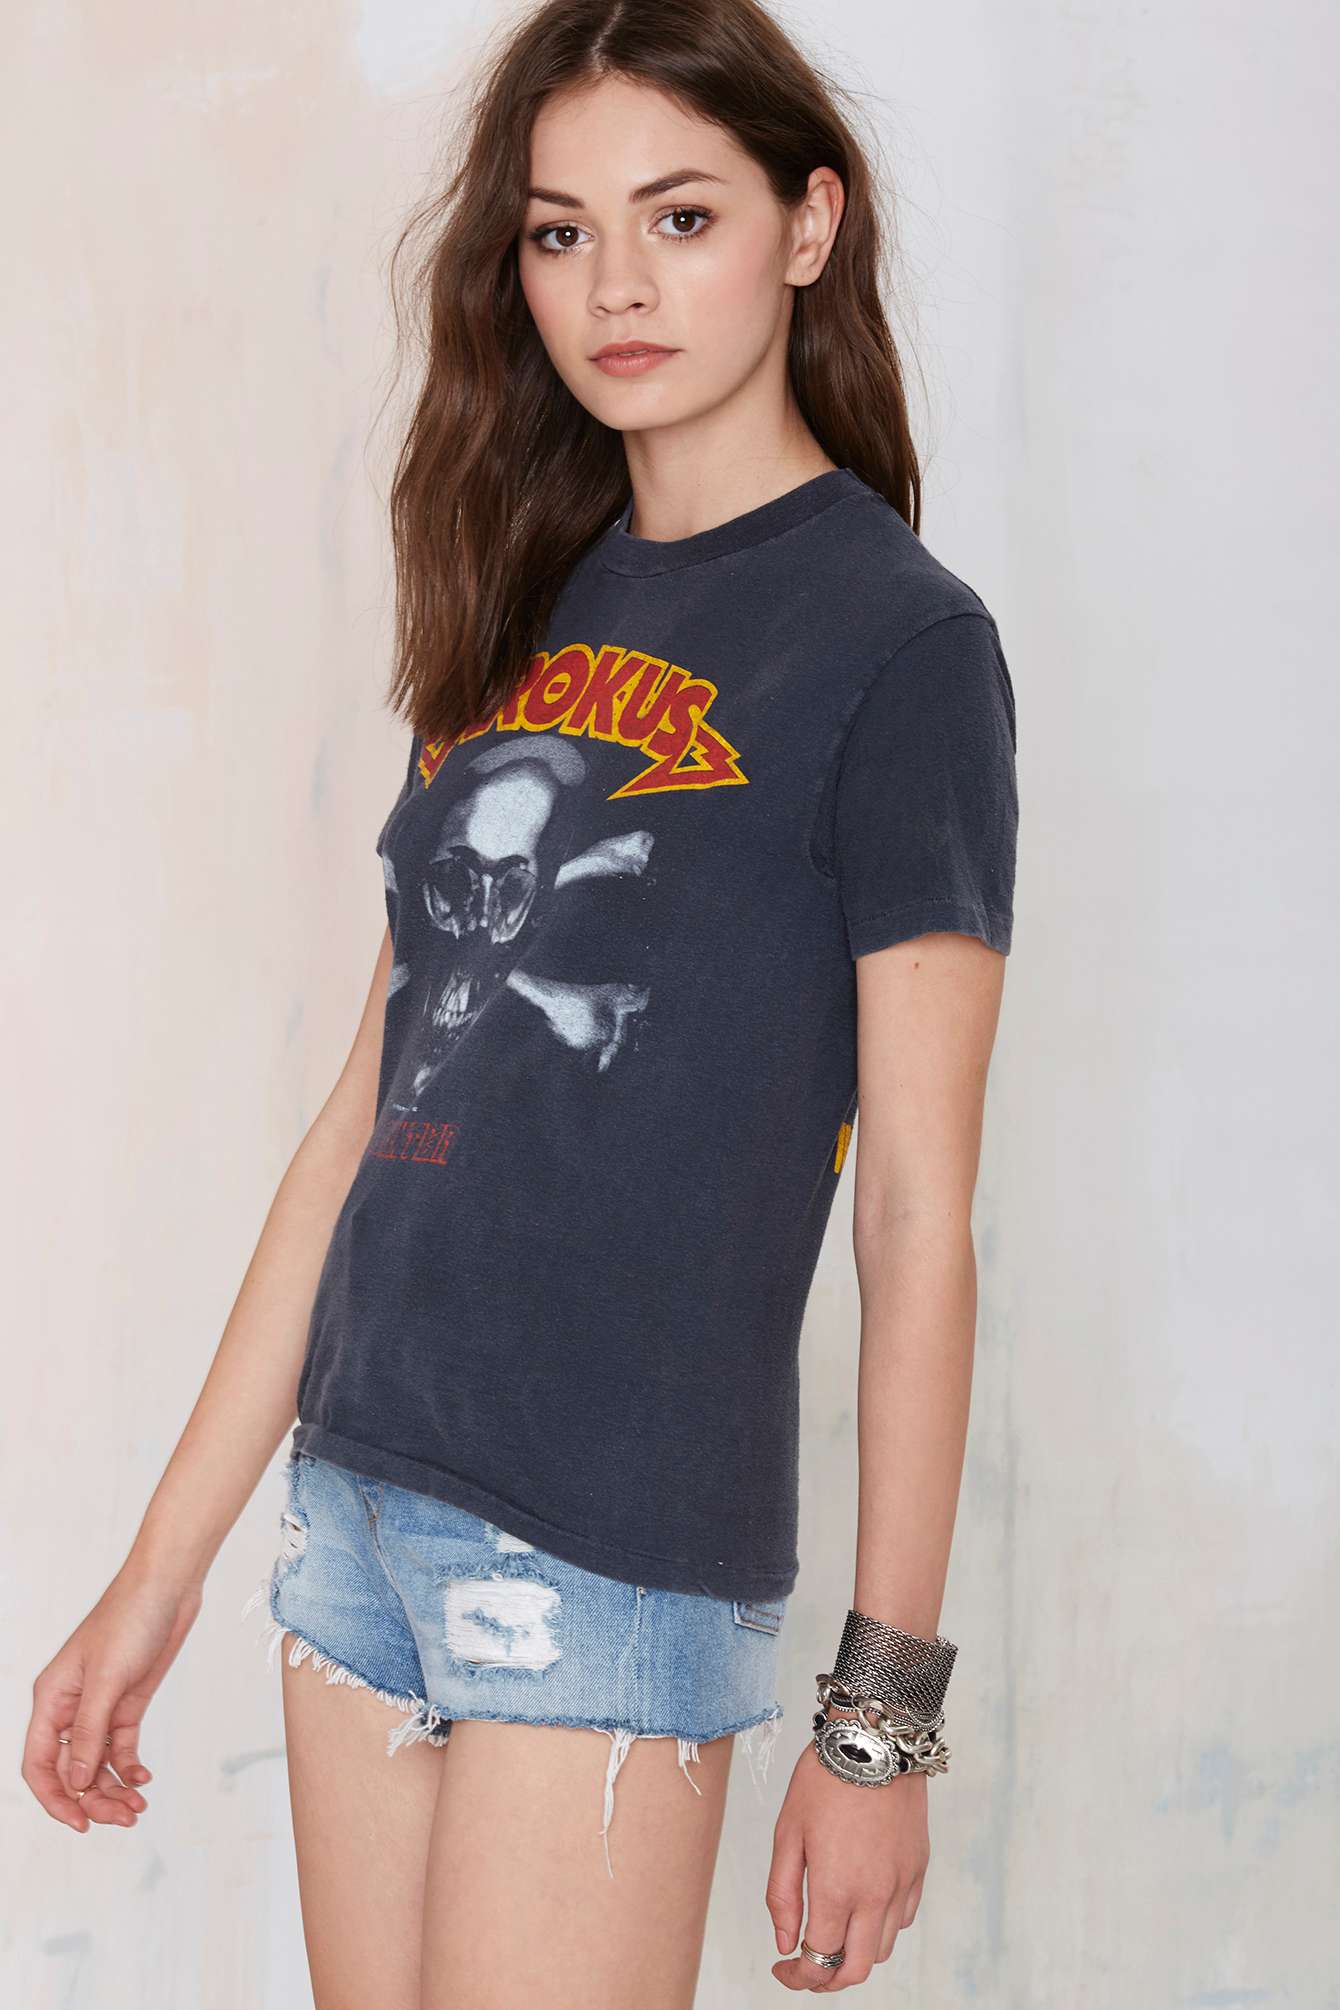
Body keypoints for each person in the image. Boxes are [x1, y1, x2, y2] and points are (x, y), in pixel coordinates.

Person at [22, 1, 1019, 2002]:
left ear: (809, 225)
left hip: (609, 1544)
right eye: (562, 232)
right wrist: (157, 1573)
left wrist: (879, 1722)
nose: (614, 285)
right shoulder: (516, 597)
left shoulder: (897, 644)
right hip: (358, 1515)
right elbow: (365, 1117)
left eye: (680, 216)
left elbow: (917, 1214)